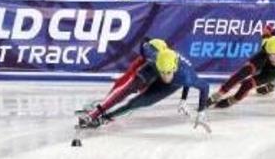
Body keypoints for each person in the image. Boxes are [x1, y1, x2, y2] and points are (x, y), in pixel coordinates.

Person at [76, 38, 210, 132]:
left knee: (138, 102)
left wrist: (200, 110)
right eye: (163, 72)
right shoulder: (152, 56)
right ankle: (95, 112)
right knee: (127, 88)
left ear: (174, 68)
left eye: (168, 73)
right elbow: (146, 43)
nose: (165, 76)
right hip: (152, 68)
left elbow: (205, 87)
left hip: (174, 80)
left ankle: (104, 119)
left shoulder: (185, 76)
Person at [207, 36, 275, 109]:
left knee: (248, 84)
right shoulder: (266, 47)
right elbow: (267, 37)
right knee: (243, 72)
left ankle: (233, 100)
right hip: (263, 58)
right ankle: (218, 95)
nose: (272, 59)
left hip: (274, 71)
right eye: (271, 55)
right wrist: (219, 94)